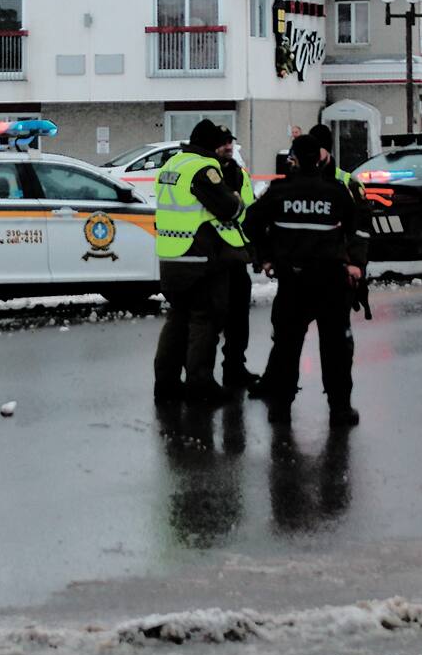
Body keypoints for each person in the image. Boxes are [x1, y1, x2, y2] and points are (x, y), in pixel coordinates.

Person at [245, 134, 370, 427]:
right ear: (320, 157)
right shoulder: (337, 192)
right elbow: (357, 230)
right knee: (336, 348)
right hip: (331, 281)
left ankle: (280, 406)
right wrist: (355, 265)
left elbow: (250, 224)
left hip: (293, 281)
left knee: (287, 346)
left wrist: (264, 257)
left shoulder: (279, 191)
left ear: (295, 159)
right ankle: (340, 408)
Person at [152, 120, 249, 406]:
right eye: (219, 144)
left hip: (172, 255)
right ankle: (200, 384)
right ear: (209, 145)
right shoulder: (203, 168)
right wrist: (235, 198)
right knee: (204, 322)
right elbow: (228, 208)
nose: (223, 149)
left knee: (177, 321)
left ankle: (166, 383)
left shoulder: (172, 164)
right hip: (200, 257)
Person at [219, 152, 260, 393]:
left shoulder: (238, 174)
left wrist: (254, 250)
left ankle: (235, 367)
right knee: (211, 322)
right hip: (217, 256)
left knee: (238, 318)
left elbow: (250, 213)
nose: (227, 148)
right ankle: (201, 376)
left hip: (238, 254)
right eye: (222, 144)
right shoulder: (208, 174)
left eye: (229, 143)